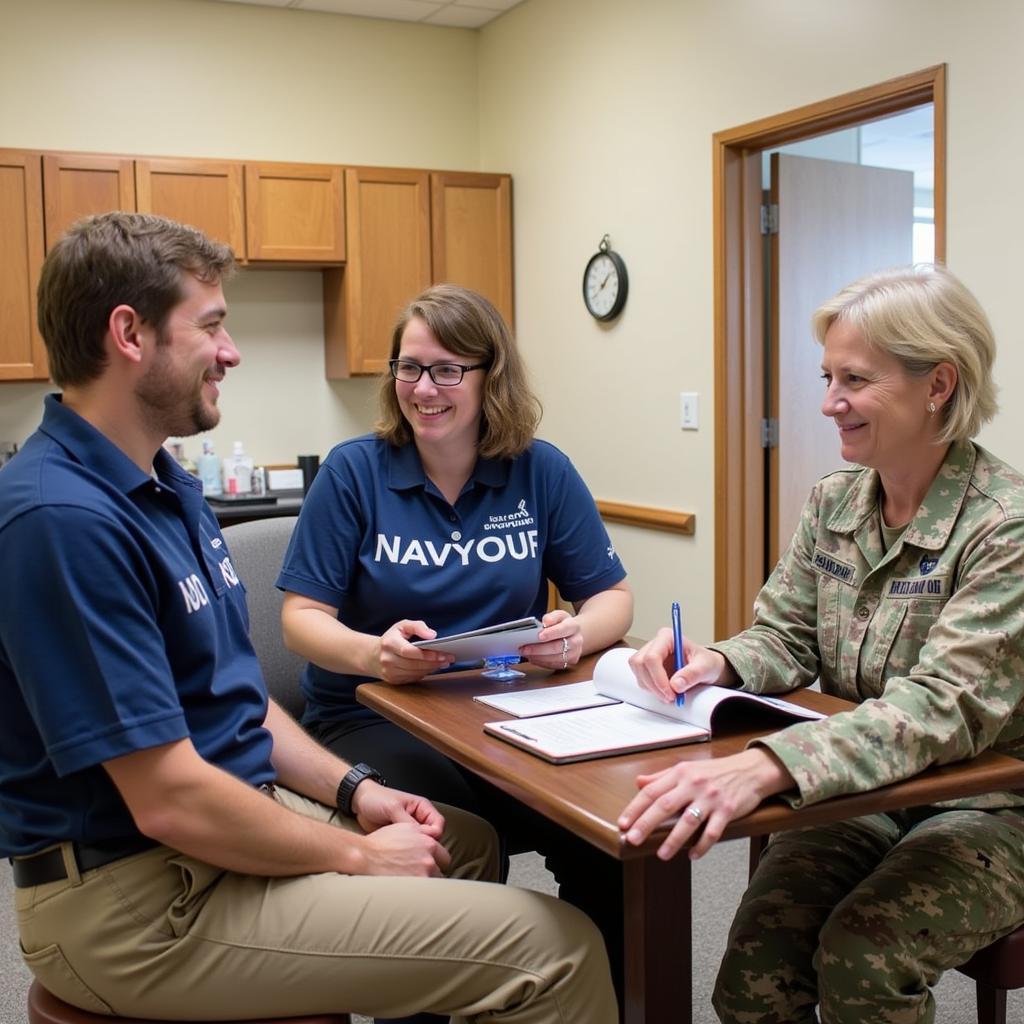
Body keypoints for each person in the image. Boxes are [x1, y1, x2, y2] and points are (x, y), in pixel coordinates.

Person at [0, 212, 617, 1024]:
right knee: (557, 949)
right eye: (212, 325)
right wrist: (358, 853)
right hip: (140, 896)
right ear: (129, 334)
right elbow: (168, 800)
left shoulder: (166, 488)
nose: (232, 351)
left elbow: (243, 701)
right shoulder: (63, 519)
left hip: (212, 822)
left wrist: (358, 792)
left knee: (459, 843)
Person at [620, 264, 1024, 1024]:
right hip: (868, 790)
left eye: (855, 380)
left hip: (994, 807)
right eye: (827, 376)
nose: (828, 403)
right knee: (753, 964)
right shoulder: (835, 501)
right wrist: (722, 660)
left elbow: (943, 708)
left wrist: (772, 763)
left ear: (938, 385)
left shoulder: (1006, 527)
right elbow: (788, 632)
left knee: (863, 958)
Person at [278, 283, 634, 1002]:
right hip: (373, 716)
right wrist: (374, 654)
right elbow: (301, 618)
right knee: (441, 839)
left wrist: (572, 639)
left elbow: (613, 600)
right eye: (409, 368)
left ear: (488, 376)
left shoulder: (539, 469)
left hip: (510, 711)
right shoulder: (355, 472)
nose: (423, 388)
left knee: (612, 834)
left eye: (447, 370)